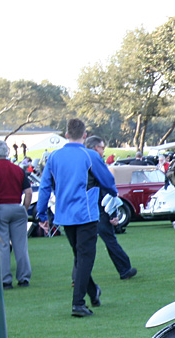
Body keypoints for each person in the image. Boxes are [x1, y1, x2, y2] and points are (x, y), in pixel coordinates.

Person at [37, 118, 118, 317]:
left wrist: (40, 213)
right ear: (84, 135)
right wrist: (112, 193)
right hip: (86, 214)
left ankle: (92, 292)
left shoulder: (54, 157)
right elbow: (107, 180)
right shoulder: (89, 155)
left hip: (64, 215)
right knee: (85, 258)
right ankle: (78, 303)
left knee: (80, 257)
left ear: (66, 135)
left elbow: (45, 185)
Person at [85, 136, 136, 281]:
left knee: (84, 243)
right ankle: (124, 269)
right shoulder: (96, 161)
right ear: (96, 148)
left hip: (84, 207)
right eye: (102, 148)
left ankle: (78, 277)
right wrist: (112, 212)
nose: (103, 151)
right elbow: (106, 184)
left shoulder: (80, 161)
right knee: (109, 239)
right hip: (99, 206)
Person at [0, 139, 33, 289]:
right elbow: (28, 192)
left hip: (0, 208)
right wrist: (24, 207)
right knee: (20, 245)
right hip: (17, 207)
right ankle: (24, 278)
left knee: (3, 244)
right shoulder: (18, 169)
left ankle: (5, 279)